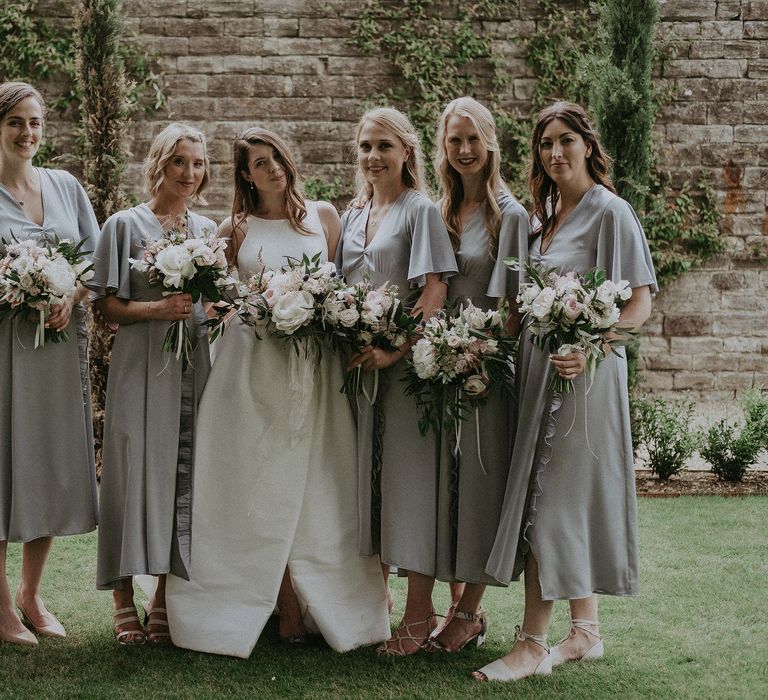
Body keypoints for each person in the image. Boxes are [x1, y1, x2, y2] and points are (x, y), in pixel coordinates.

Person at [164, 127, 389, 657]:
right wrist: (255, 307)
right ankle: (278, 601)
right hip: (253, 368)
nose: (273, 169)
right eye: (260, 164)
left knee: (319, 482)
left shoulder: (325, 217)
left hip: (315, 368)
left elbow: (337, 286)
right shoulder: (233, 229)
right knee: (259, 482)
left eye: (277, 159)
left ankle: (331, 600)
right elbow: (215, 303)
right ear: (245, 174)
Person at [473, 101, 656, 682]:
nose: (555, 153)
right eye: (545, 144)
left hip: (585, 379)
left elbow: (640, 302)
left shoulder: (612, 212)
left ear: (587, 144)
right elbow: (508, 301)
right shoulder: (533, 219)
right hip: (534, 372)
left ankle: (531, 645)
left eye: (566, 141)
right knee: (552, 495)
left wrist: (595, 347)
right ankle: (586, 633)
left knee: (548, 503)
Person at [338, 107, 458, 656]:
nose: (373, 157)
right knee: (371, 484)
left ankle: (418, 615)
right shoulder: (355, 211)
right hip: (359, 371)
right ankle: (375, 604)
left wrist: (395, 349)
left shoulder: (421, 211)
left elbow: (434, 291)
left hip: (405, 369)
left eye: (384, 145)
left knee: (411, 488)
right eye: (365, 146)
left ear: (407, 151)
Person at [90, 123, 216, 645]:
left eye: (199, 163)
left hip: (194, 368)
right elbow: (105, 307)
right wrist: (158, 308)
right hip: (140, 366)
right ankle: (123, 600)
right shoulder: (124, 225)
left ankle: (164, 598)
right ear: (159, 164)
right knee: (128, 472)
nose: (189, 174)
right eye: (179, 162)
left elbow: (214, 302)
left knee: (179, 476)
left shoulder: (208, 232)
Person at [425, 97, 530, 653]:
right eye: (454, 141)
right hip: (443, 363)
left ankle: (470, 611)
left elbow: (513, 307)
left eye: (473, 139)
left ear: (490, 142)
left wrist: (480, 354)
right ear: (443, 148)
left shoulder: (509, 215)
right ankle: (455, 603)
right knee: (450, 483)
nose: (464, 150)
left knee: (482, 483)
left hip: (487, 366)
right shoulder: (441, 210)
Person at [0, 82, 99, 648]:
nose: (27, 133)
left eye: (35, 122)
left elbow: (92, 258)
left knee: (49, 462)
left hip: (58, 350)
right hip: (6, 349)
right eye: (15, 122)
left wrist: (71, 293)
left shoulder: (65, 186)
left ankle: (30, 593)